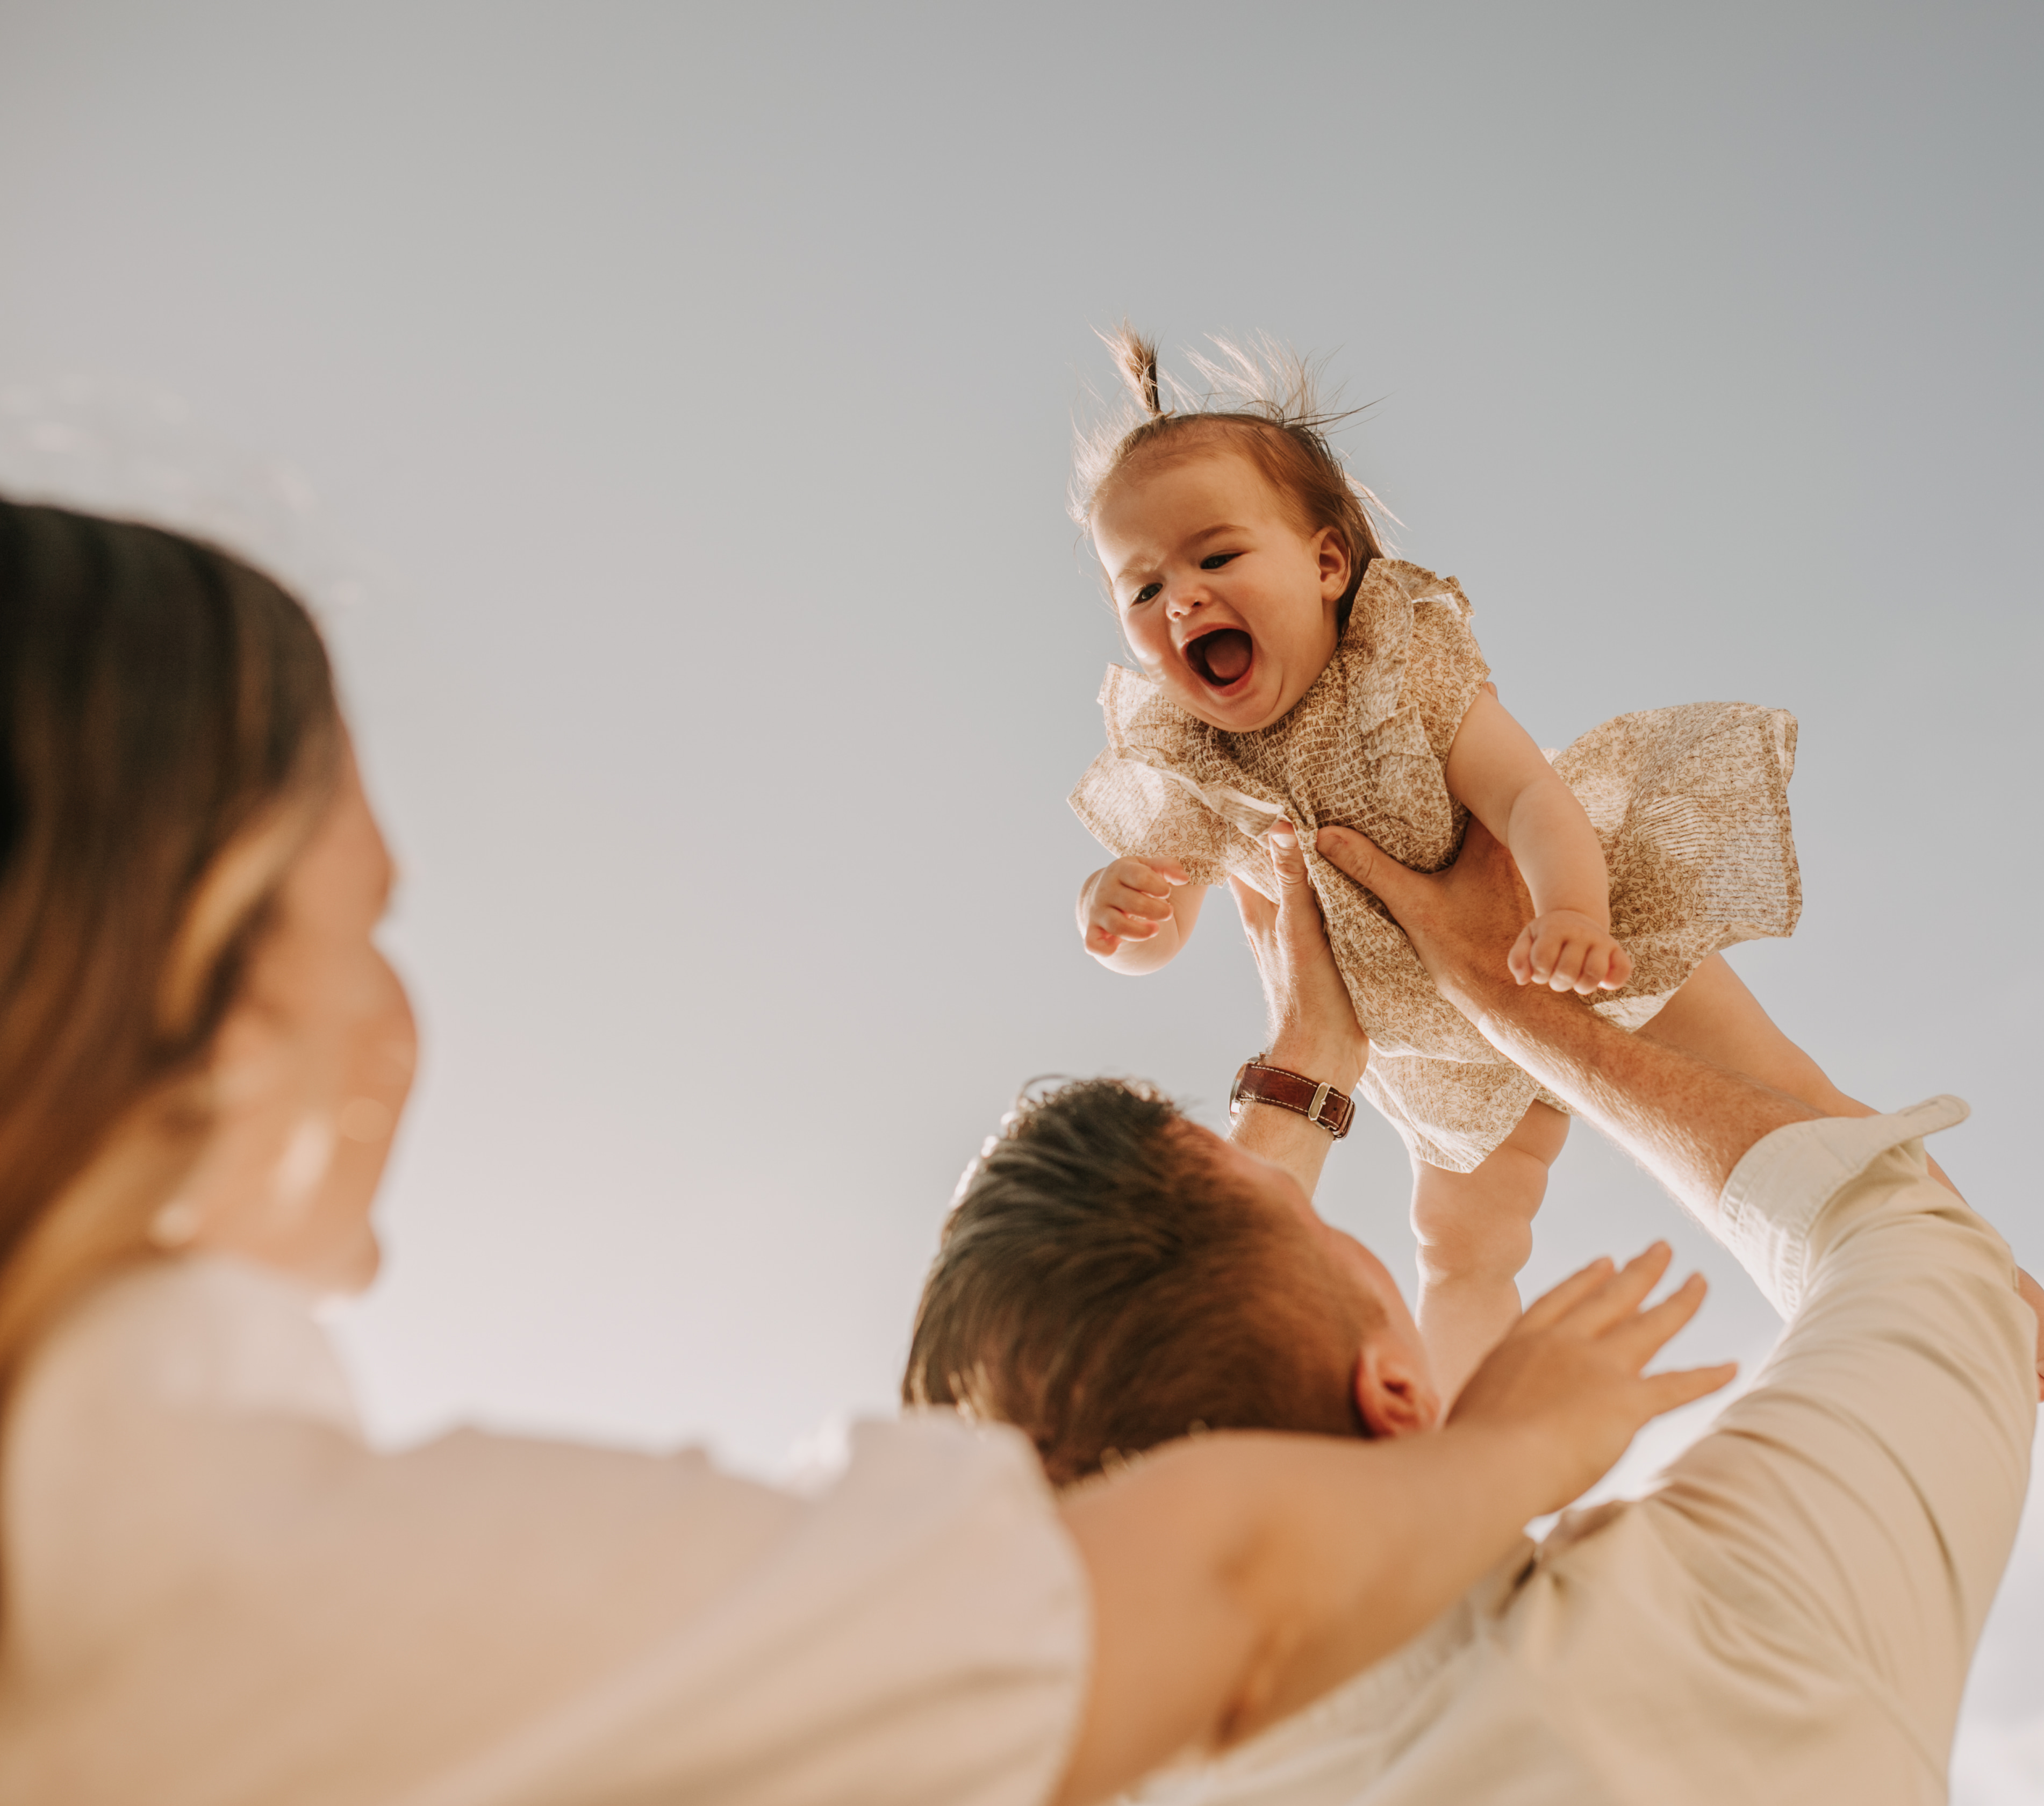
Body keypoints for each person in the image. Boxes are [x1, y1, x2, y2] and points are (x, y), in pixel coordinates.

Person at [0, 497, 1737, 1806]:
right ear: (184, 965)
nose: (400, 1013)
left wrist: (1297, 1085)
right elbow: (1190, 1575)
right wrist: (1504, 1446)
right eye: (369, 921)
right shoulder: (205, 1576)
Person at [913, 811, 2044, 1803]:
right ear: (1397, 1393)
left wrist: (1309, 1072)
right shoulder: (1736, 1632)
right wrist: (1521, 1013)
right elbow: (1918, 1248)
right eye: (1325, 1231)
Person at [1064, 328, 2044, 1403]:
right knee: (1461, 1252)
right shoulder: (1190, 761)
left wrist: (1574, 911)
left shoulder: (1399, 671)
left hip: (1575, 942)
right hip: (1434, 1057)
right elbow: (1168, 909)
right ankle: (1461, 1440)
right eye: (1142, 590)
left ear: (1327, 565)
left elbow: (1528, 795)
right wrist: (1120, 915)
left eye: (1216, 559)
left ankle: (2000, 1282)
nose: (1179, 601)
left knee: (1784, 1090)